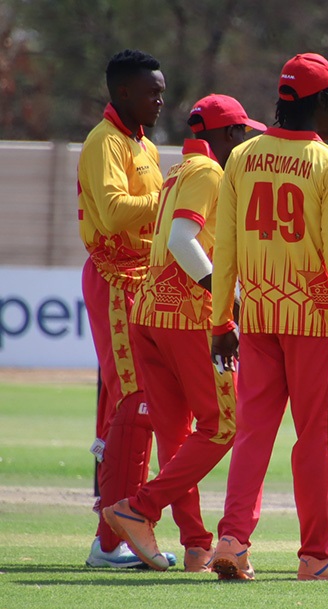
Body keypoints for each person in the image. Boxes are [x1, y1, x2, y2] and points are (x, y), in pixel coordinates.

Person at [208, 53, 328, 582]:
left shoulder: (242, 156)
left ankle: (232, 540)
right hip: (314, 321)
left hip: (257, 317)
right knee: (314, 440)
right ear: (323, 102)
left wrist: (220, 321)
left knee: (253, 434)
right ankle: (316, 554)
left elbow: (225, 247)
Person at [101, 95, 266, 572]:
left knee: (177, 436)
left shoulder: (177, 170)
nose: (244, 144)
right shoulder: (209, 173)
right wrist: (226, 298)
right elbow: (180, 239)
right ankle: (141, 508)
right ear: (229, 135)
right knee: (225, 426)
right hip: (189, 319)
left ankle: (196, 544)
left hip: (149, 314)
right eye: (242, 135)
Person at [77, 48, 172, 569]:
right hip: (116, 280)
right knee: (134, 401)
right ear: (123, 93)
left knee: (134, 405)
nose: (160, 100)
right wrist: (171, 200)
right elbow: (114, 213)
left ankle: (116, 533)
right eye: (152, 92)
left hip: (143, 281)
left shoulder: (144, 146)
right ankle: (111, 540)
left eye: (162, 91)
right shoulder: (104, 141)